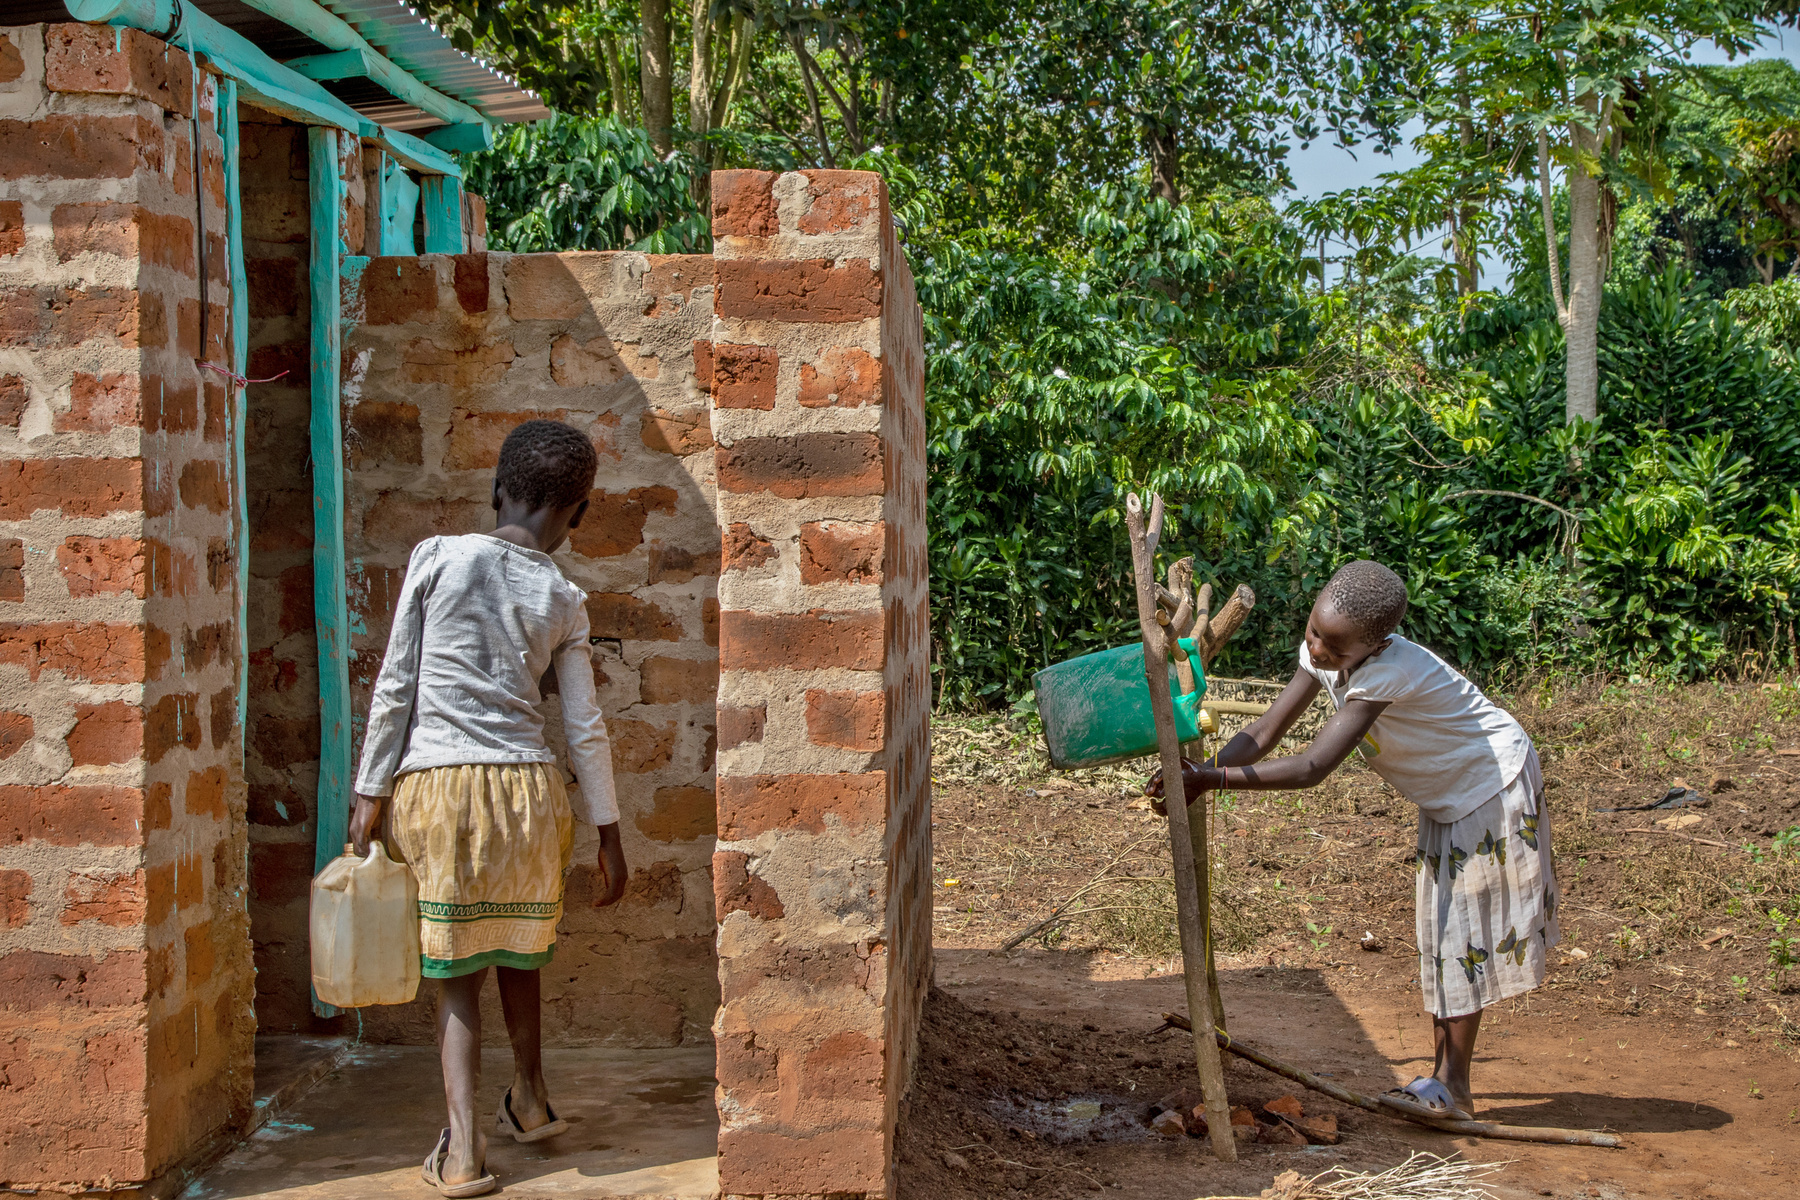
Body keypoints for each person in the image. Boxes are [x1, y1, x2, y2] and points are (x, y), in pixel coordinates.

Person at [1148, 559, 1558, 1122]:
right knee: (1440, 931)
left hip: (1489, 785)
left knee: (1461, 935)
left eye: (1334, 649)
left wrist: (1210, 779)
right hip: (1450, 794)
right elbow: (1266, 733)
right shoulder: (1328, 650)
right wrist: (1204, 773)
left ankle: (1452, 1089)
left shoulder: (1390, 671)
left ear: (1377, 643)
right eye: (1314, 631)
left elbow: (1315, 765)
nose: (1317, 650)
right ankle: (1444, 1084)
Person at [348, 419, 630, 1197]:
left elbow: (396, 685)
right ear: (577, 513)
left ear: (497, 491)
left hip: (440, 791)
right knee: (517, 944)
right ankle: (531, 1100)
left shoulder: (440, 557)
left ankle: (465, 1150)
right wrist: (610, 834)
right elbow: (583, 726)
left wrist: (370, 792)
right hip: (530, 796)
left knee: (459, 971)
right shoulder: (564, 597)